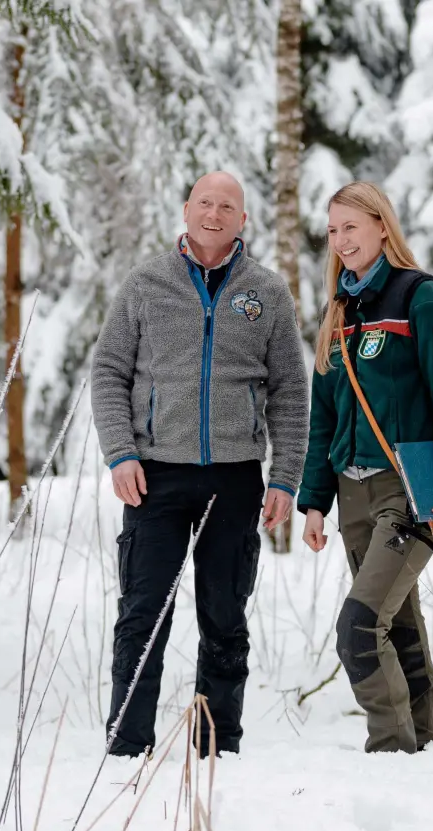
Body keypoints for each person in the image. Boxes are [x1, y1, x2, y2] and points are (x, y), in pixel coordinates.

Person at [91, 171, 309, 757]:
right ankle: (127, 745)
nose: (215, 213)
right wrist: (120, 453)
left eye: (228, 206)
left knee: (224, 615)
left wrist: (286, 475)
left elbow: (290, 389)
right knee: (143, 614)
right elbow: (109, 371)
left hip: (235, 477)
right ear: (186, 209)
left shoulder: (268, 292)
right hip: (154, 475)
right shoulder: (145, 284)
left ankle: (216, 747)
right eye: (205, 202)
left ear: (244, 220)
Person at [296, 182, 433, 754]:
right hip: (351, 496)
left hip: (408, 490)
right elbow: (322, 417)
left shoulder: (420, 298)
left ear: (382, 226)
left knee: (357, 628)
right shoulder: (339, 311)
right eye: (332, 231)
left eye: (351, 227)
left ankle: (391, 750)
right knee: (394, 622)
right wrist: (313, 501)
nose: (341, 241)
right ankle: (423, 743)